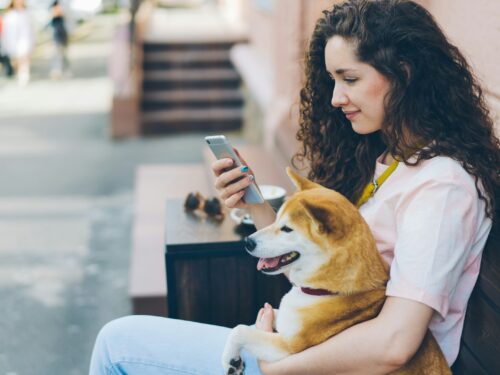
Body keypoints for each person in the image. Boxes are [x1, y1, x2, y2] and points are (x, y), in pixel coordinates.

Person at [89, 0, 500, 374]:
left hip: (329, 363)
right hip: (312, 346)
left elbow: (395, 343)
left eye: (350, 78)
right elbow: (332, 270)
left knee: (117, 345)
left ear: (404, 73)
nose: (336, 98)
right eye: (333, 80)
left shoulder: (440, 188)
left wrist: (278, 365)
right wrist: (250, 200)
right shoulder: (391, 160)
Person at [0, 0, 34, 85]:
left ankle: (24, 74)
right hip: (13, 39)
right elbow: (7, 30)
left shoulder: (27, 13)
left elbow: (31, 28)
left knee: (24, 55)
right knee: (18, 58)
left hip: (25, 38)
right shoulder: (10, 14)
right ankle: (20, 72)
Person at [48, 0, 70, 79]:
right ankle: (57, 71)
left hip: (63, 35)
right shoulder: (51, 8)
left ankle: (64, 70)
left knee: (63, 54)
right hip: (56, 36)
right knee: (57, 54)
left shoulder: (63, 7)